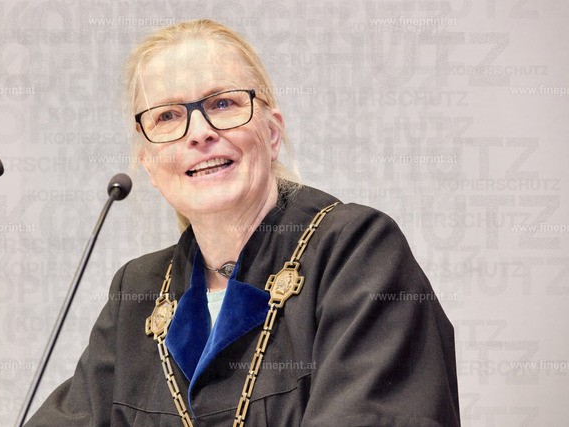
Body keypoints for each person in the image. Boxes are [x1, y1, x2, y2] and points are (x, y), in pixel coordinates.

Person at [25, 19, 460, 426]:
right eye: (168, 116)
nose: (199, 132)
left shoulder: (355, 253)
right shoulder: (137, 294)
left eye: (223, 103)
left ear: (272, 134)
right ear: (148, 163)